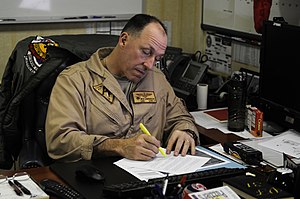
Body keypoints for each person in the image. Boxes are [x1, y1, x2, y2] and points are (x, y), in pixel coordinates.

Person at [45, 13, 199, 162]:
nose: (150, 65)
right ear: (124, 40)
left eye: (157, 59)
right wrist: (118, 146)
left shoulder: (157, 78)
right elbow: (60, 141)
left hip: (150, 176)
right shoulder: (75, 79)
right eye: (146, 52)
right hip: (95, 175)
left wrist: (185, 131)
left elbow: (180, 117)